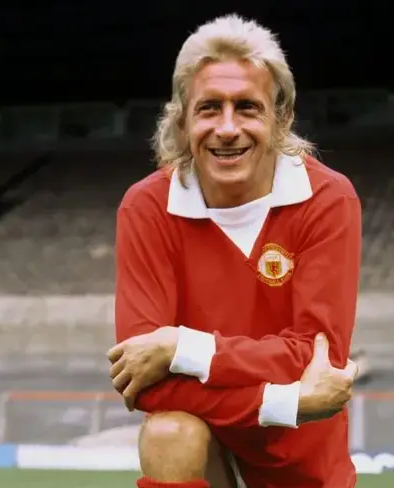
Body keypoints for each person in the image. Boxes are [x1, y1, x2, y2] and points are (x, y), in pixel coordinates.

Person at [108, 14, 362, 488]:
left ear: (281, 118)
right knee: (168, 434)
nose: (227, 128)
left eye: (247, 107)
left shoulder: (327, 198)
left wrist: (181, 348)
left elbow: (313, 358)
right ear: (182, 119)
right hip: (230, 437)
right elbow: (139, 380)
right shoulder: (147, 206)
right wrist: (285, 402)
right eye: (209, 108)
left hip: (302, 461)